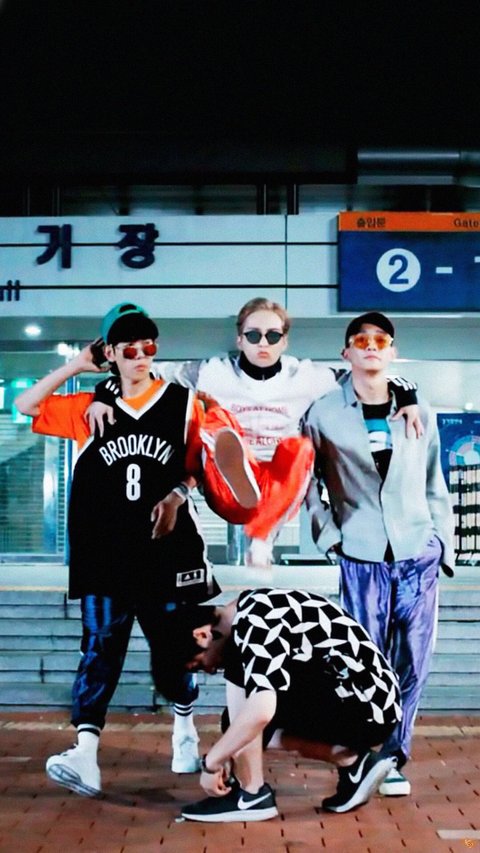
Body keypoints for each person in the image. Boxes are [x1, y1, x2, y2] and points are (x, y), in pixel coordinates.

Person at [14, 302, 221, 797]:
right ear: (109, 353)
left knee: (178, 649)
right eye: (129, 349)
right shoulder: (89, 407)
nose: (141, 356)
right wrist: (77, 366)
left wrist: (178, 494)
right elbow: (26, 405)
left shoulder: (184, 402)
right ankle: (85, 753)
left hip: (167, 552)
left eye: (149, 347)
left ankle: (184, 727)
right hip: (106, 554)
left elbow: (200, 464)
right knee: (99, 649)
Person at [91, 298, 421, 569]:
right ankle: (236, 462)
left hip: (279, 490)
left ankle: (262, 537)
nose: (263, 343)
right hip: (229, 489)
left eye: (272, 336)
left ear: (284, 341)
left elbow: (369, 377)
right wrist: (104, 394)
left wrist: (407, 394)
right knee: (216, 418)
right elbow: (140, 376)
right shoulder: (210, 373)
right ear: (240, 339)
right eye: (253, 335)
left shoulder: (308, 376)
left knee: (300, 448)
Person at [301, 311, 455, 798]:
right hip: (361, 552)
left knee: (413, 661)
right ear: (346, 352)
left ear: (392, 351)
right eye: (361, 339)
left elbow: (434, 480)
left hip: (417, 551)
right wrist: (330, 538)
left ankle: (392, 757)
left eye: (381, 340)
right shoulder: (323, 413)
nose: (371, 346)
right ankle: (362, 753)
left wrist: (442, 543)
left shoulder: (416, 407)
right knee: (364, 661)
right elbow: (306, 485)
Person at [151, 586, 402, 821]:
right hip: (362, 698)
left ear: (202, 635)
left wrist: (212, 762)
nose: (209, 670)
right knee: (239, 719)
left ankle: (253, 795)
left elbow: (261, 711)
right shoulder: (243, 614)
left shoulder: (256, 622)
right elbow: (241, 713)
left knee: (253, 713)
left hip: (369, 708)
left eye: (198, 664)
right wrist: (229, 752)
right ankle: (350, 765)